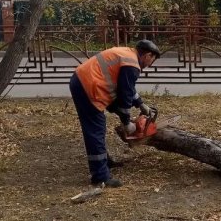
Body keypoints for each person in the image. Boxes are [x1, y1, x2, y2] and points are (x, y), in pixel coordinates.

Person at [69, 40, 161, 187]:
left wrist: (141, 104)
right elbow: (124, 96)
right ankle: (100, 177)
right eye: (152, 60)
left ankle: (105, 162)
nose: (150, 64)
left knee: (98, 128)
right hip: (88, 87)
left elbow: (127, 88)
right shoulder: (132, 65)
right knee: (96, 129)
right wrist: (126, 123)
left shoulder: (128, 55)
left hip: (84, 81)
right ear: (148, 55)